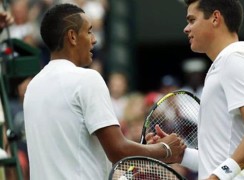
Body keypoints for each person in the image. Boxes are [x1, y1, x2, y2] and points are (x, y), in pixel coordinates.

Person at [23, 3, 186, 180]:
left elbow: (76, 152)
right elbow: (117, 150)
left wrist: (144, 151)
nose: (94, 40)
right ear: (72, 36)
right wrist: (165, 149)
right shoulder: (87, 79)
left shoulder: (33, 87)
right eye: (89, 31)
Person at [148, 0, 244, 179]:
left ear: (215, 18)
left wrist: (217, 178)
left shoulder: (235, 60)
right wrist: (181, 155)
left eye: (192, 20)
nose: (186, 28)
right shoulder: (225, 64)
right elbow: (218, 162)